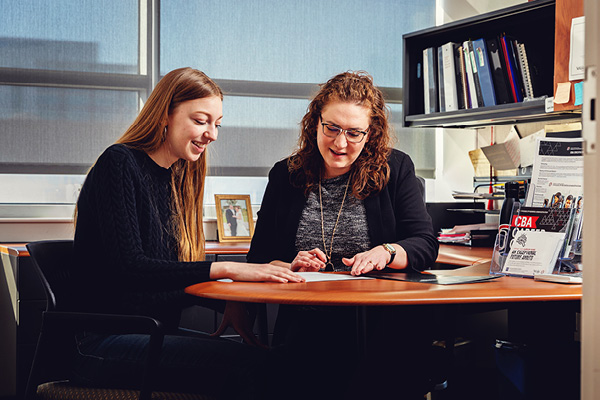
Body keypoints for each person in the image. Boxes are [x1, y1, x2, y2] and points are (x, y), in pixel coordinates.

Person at [72, 67, 304, 400]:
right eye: (201, 120)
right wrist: (224, 270)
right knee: (256, 367)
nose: (212, 134)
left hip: (146, 333)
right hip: (101, 343)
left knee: (278, 359)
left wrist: (228, 298)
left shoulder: (173, 179)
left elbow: (157, 284)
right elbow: (130, 270)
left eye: (217, 124)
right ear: (166, 114)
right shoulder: (119, 162)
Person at [247, 71, 439, 399]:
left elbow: (424, 243)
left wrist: (387, 252)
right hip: (305, 324)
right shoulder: (286, 175)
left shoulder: (396, 169)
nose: (339, 143)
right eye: (331, 128)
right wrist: (291, 263)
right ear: (315, 122)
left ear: (371, 133)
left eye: (354, 133)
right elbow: (260, 257)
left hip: (377, 326)